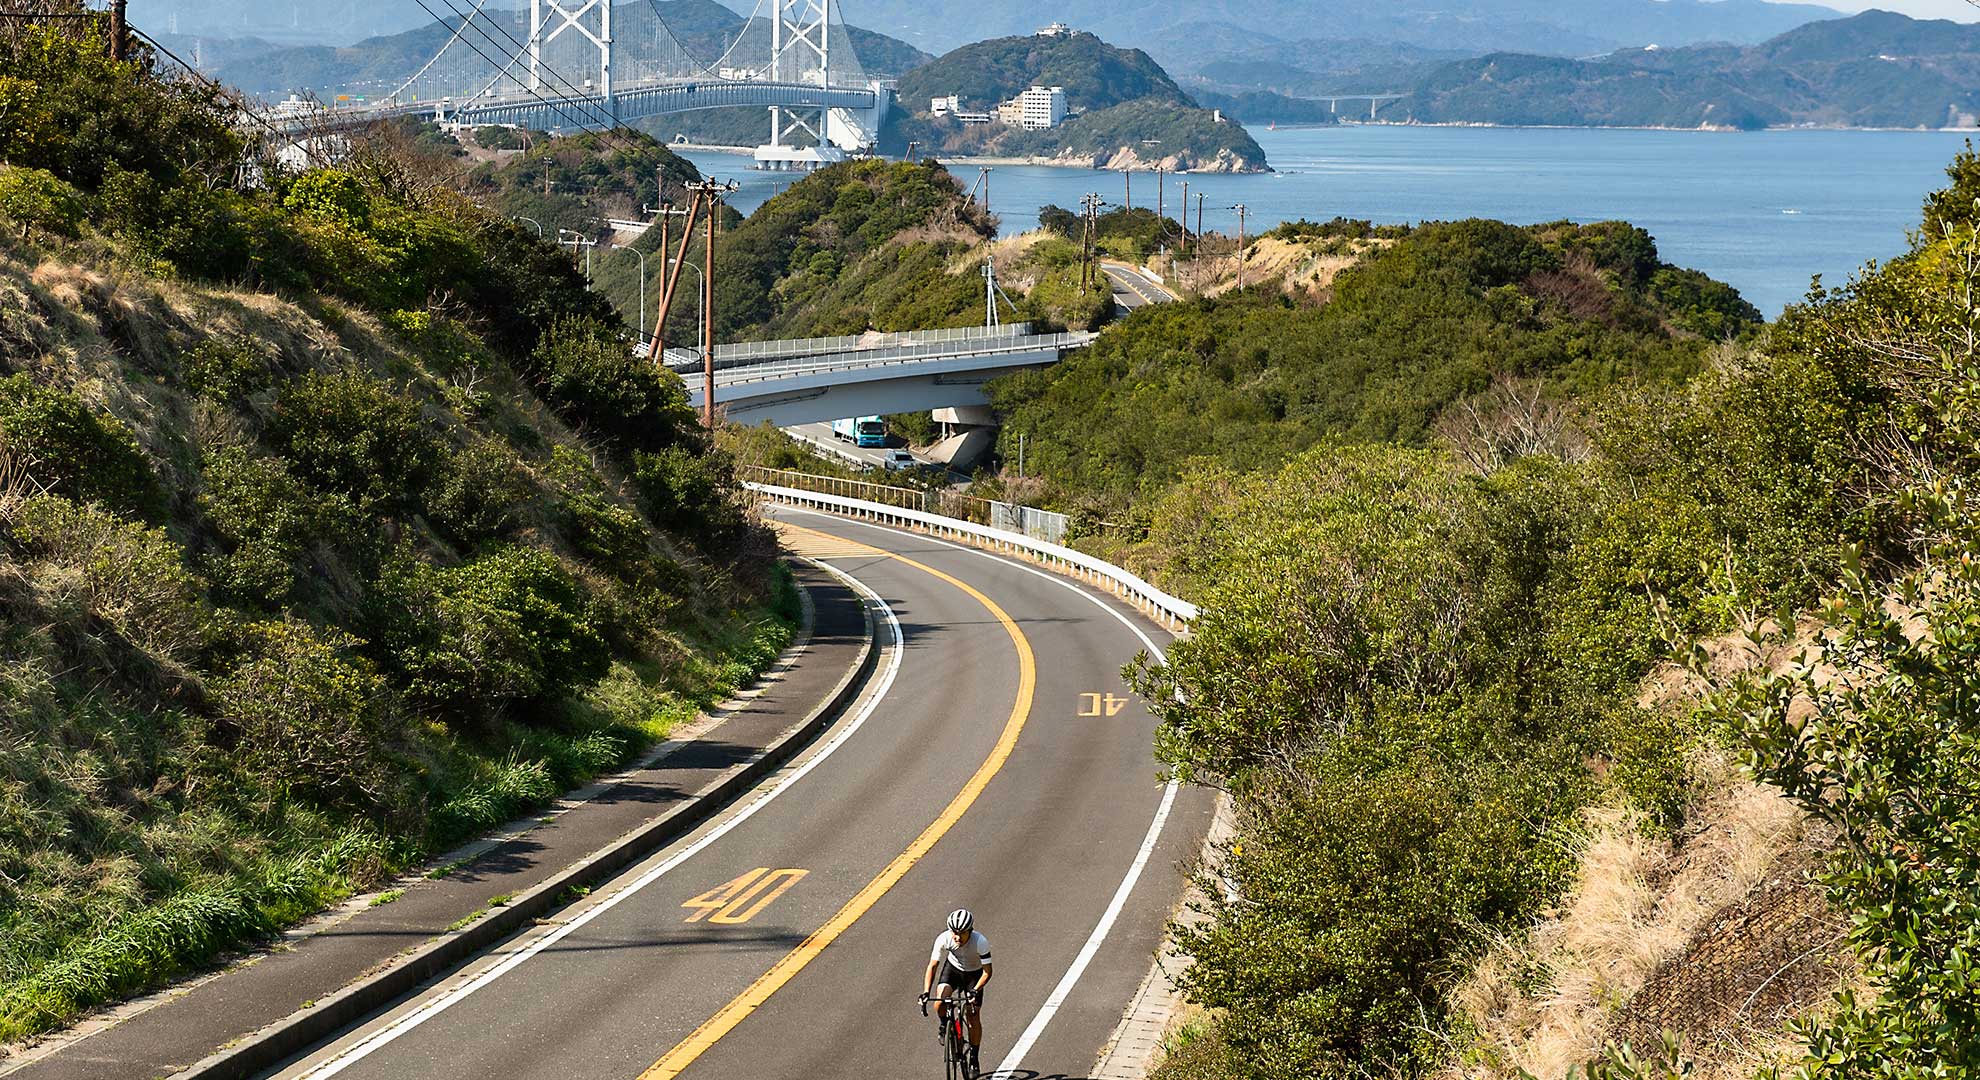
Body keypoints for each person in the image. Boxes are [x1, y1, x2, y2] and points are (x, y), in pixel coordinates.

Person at [920, 908, 992, 1072]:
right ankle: (945, 1024)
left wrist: (975, 990)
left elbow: (988, 971)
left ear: (970, 931)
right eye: (954, 932)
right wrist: (925, 992)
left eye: (962, 933)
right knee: (939, 1002)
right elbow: (933, 966)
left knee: (973, 1016)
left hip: (974, 976)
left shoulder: (980, 941)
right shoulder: (944, 938)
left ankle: (974, 1056)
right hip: (953, 970)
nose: (957, 937)